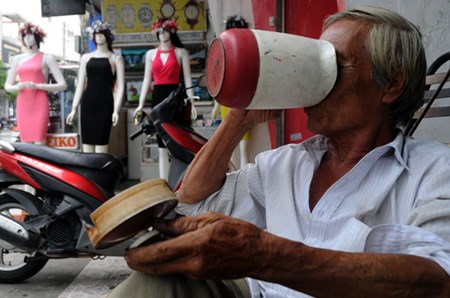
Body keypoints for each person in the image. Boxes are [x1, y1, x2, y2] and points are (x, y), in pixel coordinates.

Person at [108, 7, 450, 297]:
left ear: (390, 84)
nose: (316, 83)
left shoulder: (432, 170)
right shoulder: (285, 163)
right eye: (316, 63)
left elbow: (439, 280)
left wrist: (266, 256)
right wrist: (239, 116)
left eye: (334, 67)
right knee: (161, 281)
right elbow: (191, 203)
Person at [134, 18, 197, 179]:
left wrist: (192, 102)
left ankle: (180, 179)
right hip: (157, 98)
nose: (163, 34)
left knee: (178, 140)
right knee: (162, 142)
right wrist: (140, 104)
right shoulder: (150, 54)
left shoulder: (181, 52)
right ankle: (163, 182)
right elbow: (147, 80)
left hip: (175, 98)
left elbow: (188, 79)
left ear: (172, 31)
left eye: (166, 30)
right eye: (160, 31)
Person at [211, 15, 272, 169]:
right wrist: (216, 106)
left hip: (243, 98)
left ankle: (242, 174)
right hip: (230, 99)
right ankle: (234, 174)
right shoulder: (226, 53)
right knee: (231, 142)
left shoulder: (249, 52)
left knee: (243, 144)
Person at [66, 21, 125, 154]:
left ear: (108, 36)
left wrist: (116, 110)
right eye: (96, 34)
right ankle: (88, 175)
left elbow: (120, 86)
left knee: (101, 148)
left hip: (105, 105)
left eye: (102, 34)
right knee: (87, 149)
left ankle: (100, 175)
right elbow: (80, 84)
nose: (98, 37)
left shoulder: (115, 59)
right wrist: (74, 109)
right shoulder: (86, 58)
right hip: (88, 104)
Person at [5, 23, 67, 145]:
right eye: (24, 35)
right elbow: (7, 86)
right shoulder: (17, 59)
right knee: (26, 146)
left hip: (39, 103)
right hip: (23, 103)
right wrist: (17, 86)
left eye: (30, 35)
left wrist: (39, 86)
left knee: (39, 143)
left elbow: (63, 84)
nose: (27, 38)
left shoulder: (47, 58)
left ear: (37, 37)